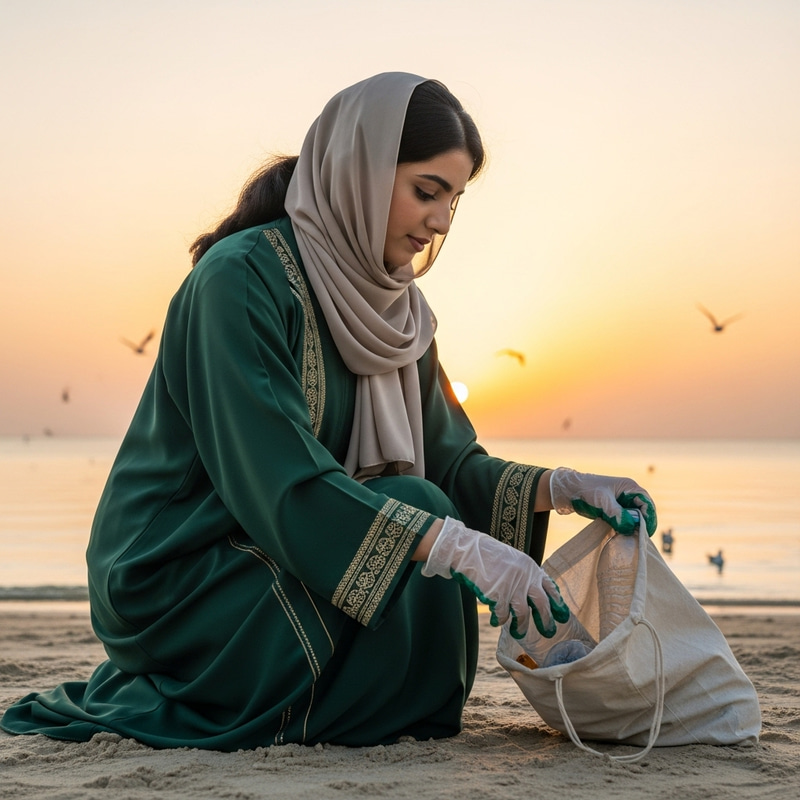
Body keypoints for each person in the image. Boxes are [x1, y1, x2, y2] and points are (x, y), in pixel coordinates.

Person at [1, 72, 656, 750]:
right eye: (426, 192)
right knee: (417, 516)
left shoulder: (399, 314)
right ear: (360, 172)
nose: (440, 222)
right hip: (180, 569)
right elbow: (278, 479)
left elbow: (452, 466)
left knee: (421, 513)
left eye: (453, 202)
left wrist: (566, 489)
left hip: (292, 550)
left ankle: (356, 710)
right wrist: (456, 547)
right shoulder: (239, 280)